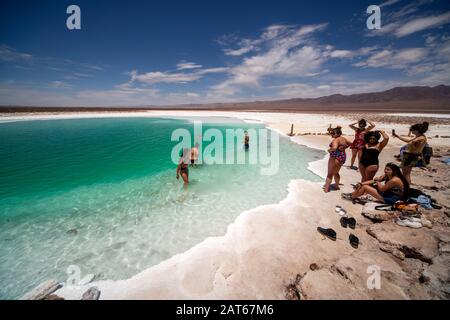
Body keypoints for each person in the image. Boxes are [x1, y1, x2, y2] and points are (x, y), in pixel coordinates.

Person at [342, 163, 409, 204]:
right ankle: (352, 194)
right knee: (364, 185)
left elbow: (382, 189)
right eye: (385, 169)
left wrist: (377, 182)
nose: (386, 171)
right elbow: (374, 180)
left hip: (392, 199)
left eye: (388, 170)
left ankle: (352, 197)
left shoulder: (394, 180)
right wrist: (361, 183)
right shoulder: (387, 175)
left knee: (366, 187)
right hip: (388, 194)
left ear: (394, 171)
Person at [324, 126, 352, 193]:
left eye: (333, 133)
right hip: (342, 157)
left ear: (337, 134)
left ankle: (326, 189)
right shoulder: (343, 138)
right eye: (331, 133)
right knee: (336, 172)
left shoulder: (336, 140)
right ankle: (336, 186)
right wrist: (344, 147)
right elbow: (351, 143)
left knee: (329, 174)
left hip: (335, 158)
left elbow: (334, 147)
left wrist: (329, 150)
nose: (332, 134)